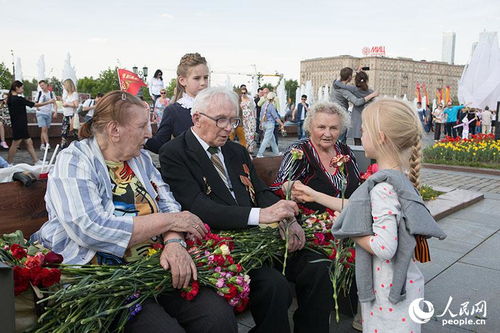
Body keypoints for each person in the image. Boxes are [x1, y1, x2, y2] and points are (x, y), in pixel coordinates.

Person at [30, 90, 237, 333]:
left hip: (153, 264)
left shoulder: (140, 159)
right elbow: (90, 228)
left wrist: (173, 244)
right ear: (114, 130)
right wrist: (169, 222)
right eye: (142, 126)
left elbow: (168, 202)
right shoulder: (74, 161)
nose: (150, 133)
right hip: (103, 277)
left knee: (217, 316)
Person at [160, 86, 335, 333]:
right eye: (221, 120)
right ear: (197, 118)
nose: (229, 128)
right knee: (275, 286)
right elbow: (197, 206)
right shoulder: (175, 152)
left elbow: (260, 191)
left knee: (319, 265)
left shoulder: (236, 150)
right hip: (223, 245)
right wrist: (262, 215)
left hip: (264, 237)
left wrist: (286, 217)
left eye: (234, 120)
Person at [295, 98, 446, 333]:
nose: (360, 136)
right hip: (403, 283)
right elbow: (357, 206)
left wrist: (350, 231)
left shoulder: (383, 188)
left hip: (387, 294)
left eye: (364, 131)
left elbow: (385, 247)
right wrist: (315, 195)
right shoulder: (398, 178)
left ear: (381, 137)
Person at [272, 101, 362, 331]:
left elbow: (357, 187)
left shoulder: (344, 151)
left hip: (346, 224)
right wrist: (292, 189)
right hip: (310, 230)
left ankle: (370, 312)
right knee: (320, 267)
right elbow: (281, 187)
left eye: (333, 128)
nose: (327, 133)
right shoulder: (299, 152)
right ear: (310, 126)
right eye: (321, 127)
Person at [145, 53, 209, 154]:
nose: (203, 82)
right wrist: (140, 135)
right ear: (182, 81)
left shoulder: (215, 106)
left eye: (206, 77)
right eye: (197, 78)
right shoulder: (173, 111)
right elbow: (160, 144)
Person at [6, 81, 54, 164]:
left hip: (18, 124)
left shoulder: (10, 99)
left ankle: (36, 161)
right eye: (22, 88)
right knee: (15, 144)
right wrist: (49, 102)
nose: (23, 90)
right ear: (17, 88)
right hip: (20, 125)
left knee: (29, 142)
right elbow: (35, 105)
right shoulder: (18, 99)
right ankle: (8, 163)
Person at [331, 67, 378, 144]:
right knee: (341, 141)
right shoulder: (345, 91)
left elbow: (338, 80)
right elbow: (357, 102)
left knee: (336, 140)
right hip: (341, 116)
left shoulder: (335, 85)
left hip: (334, 114)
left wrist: (355, 73)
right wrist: (373, 95)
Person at [256, 92, 285, 158]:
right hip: (270, 124)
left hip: (264, 124)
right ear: (273, 99)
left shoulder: (264, 105)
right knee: (266, 140)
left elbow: (261, 115)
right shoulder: (271, 106)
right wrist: (281, 123)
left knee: (272, 140)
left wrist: (261, 123)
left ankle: (277, 153)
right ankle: (259, 154)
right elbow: (276, 117)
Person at [350, 71, 374, 146]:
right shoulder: (371, 92)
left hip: (356, 119)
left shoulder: (353, 90)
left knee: (357, 143)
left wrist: (354, 74)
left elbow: (341, 83)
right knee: (367, 142)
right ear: (366, 80)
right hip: (367, 118)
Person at [35, 80, 58, 150]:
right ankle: (48, 144)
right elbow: (35, 103)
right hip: (40, 113)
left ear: (46, 85)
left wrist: (55, 112)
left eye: (43, 85)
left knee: (44, 130)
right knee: (44, 129)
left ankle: (42, 145)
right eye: (40, 86)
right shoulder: (39, 93)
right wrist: (37, 107)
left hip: (48, 114)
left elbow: (54, 104)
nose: (42, 87)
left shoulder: (51, 93)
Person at [60, 79, 79, 148]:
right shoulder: (67, 95)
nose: (64, 87)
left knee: (75, 133)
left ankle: (79, 147)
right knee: (63, 133)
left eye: (64, 85)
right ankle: (63, 148)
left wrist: (67, 104)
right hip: (66, 116)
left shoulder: (74, 94)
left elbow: (76, 105)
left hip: (72, 116)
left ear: (68, 85)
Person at [239, 85, 257, 152]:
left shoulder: (250, 99)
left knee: (251, 132)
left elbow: (253, 109)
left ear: (246, 92)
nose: (243, 94)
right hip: (243, 118)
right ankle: (246, 147)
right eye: (242, 93)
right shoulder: (239, 100)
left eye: (244, 93)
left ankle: (250, 148)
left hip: (250, 118)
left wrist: (255, 118)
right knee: (245, 133)